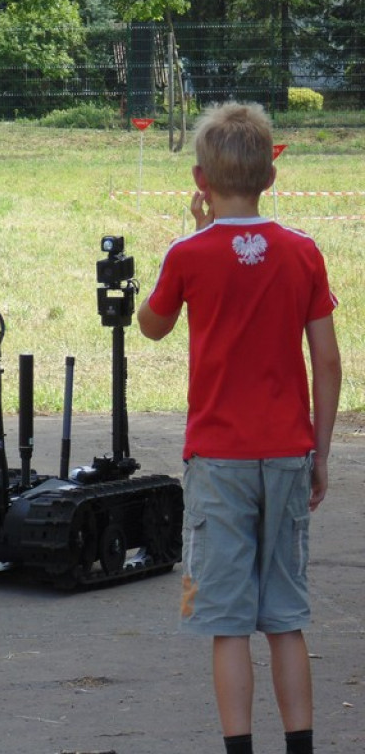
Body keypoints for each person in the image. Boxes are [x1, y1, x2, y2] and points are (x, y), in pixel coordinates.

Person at [137, 102, 342, 754]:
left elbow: (152, 324)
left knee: (227, 623)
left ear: (201, 179)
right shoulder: (303, 252)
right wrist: (320, 452)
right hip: (287, 453)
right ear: (270, 177)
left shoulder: (189, 254)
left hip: (219, 459)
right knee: (285, 617)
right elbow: (327, 361)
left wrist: (192, 238)